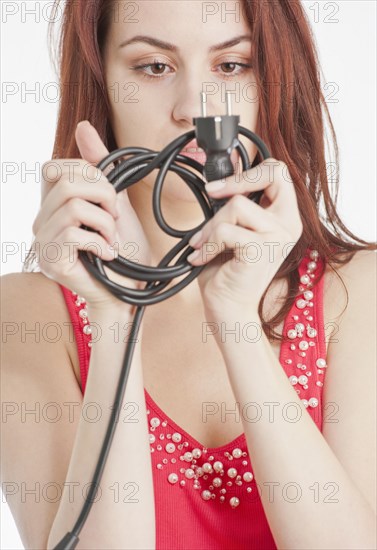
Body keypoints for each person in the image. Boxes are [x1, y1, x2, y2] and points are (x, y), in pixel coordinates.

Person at [1, 1, 376, 549]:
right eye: (154, 67)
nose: (196, 109)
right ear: (100, 80)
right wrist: (115, 315)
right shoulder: (24, 315)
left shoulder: (355, 291)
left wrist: (235, 321)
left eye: (230, 66)